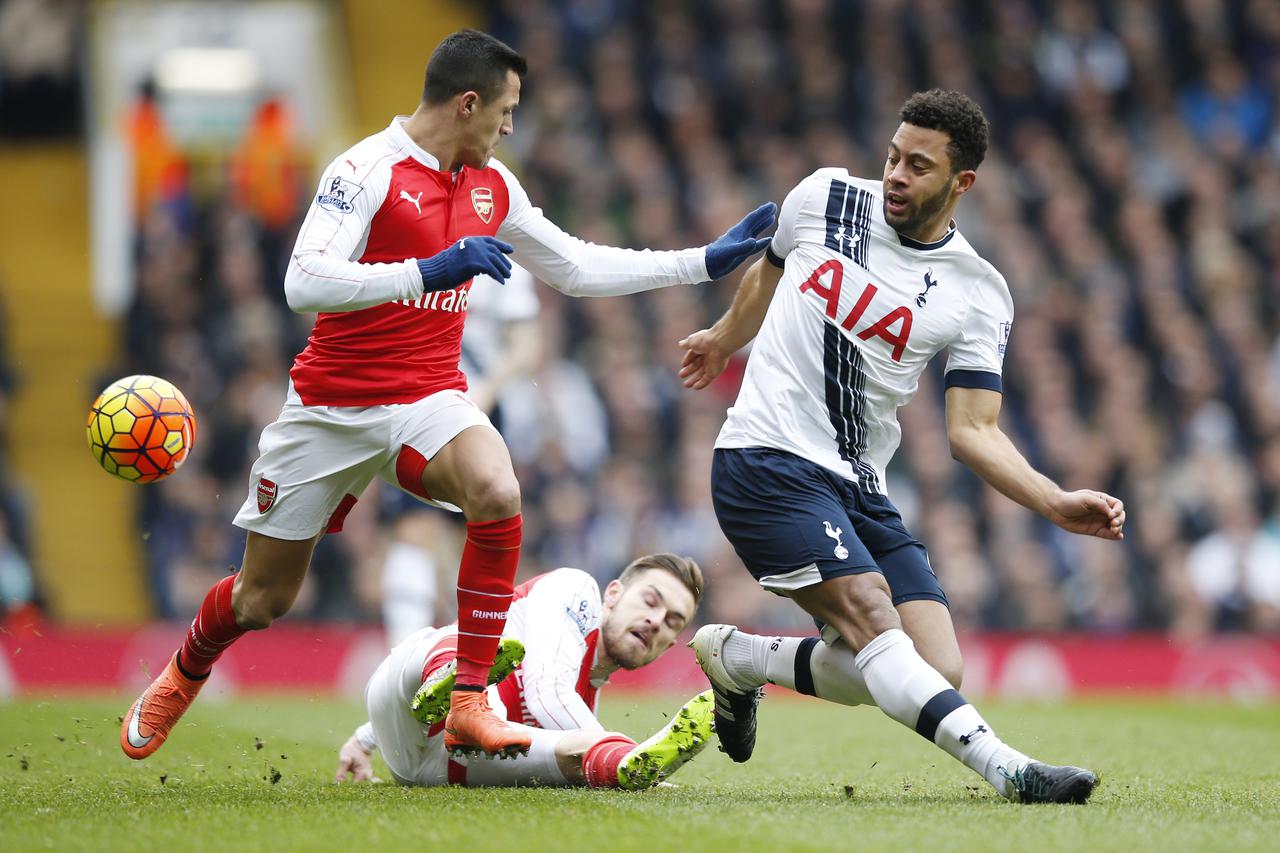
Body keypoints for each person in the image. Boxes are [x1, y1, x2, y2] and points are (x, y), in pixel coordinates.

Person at [121, 29, 775, 762]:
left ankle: (467, 700)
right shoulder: (365, 168)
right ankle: (183, 672)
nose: (510, 126)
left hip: (428, 397)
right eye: (505, 110)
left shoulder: (496, 185)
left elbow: (576, 266)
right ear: (468, 103)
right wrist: (425, 270)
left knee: (497, 487)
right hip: (330, 408)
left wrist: (703, 261)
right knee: (261, 599)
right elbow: (302, 280)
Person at [678, 89, 1125, 804]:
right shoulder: (822, 196)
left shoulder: (977, 290)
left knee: (936, 666)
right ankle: (1010, 768)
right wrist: (724, 337)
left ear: (961, 182)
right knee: (870, 612)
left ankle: (736, 657)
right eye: (892, 156)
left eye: (918, 165)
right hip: (765, 458)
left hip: (859, 484)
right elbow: (772, 264)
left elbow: (972, 429)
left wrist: (1052, 500)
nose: (894, 174)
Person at [335, 553, 713, 789]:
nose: (655, 620)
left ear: (668, 646)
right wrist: (367, 736)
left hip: (442, 767)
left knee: (576, 757)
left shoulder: (587, 703)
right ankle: (461, 692)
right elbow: (546, 693)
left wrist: (364, 740)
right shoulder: (574, 589)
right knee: (458, 648)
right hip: (416, 704)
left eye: (672, 622)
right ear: (612, 594)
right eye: (650, 600)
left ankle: (623, 767)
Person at [379, 263, 541, 646]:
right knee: (416, 529)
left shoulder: (505, 265)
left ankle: (444, 654)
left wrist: (489, 387)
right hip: (417, 400)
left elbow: (528, 344)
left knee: (466, 536)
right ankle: (410, 653)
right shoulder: (413, 248)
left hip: (479, 409)